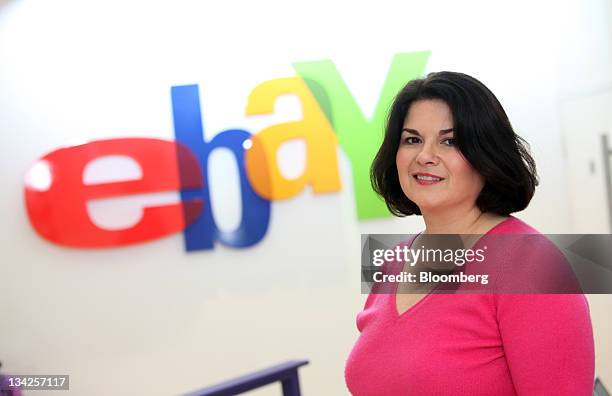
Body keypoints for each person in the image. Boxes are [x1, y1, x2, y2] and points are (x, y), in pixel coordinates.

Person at [344, 71, 595, 395]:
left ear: (485, 153)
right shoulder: (393, 261)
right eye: (412, 139)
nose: (425, 156)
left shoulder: (533, 267)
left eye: (449, 141)